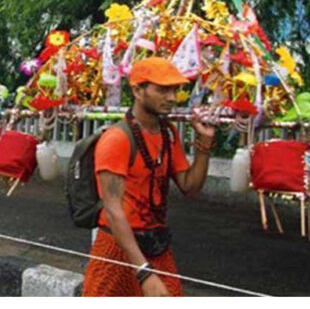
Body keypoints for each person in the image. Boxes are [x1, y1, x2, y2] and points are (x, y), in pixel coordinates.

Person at [82, 57, 216, 297]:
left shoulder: (168, 133)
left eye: (175, 89)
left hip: (156, 246)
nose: (173, 98)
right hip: (117, 249)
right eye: (163, 89)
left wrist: (204, 145)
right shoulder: (117, 139)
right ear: (137, 90)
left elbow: (190, 187)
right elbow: (113, 212)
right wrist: (143, 271)